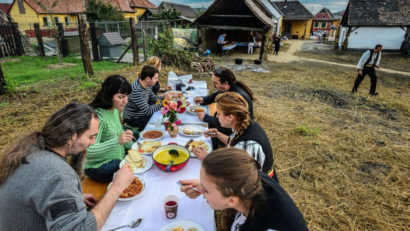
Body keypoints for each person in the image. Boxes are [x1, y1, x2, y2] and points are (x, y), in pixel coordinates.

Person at [0, 102, 134, 230]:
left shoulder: (31, 152)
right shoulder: (57, 173)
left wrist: (73, 198)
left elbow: (38, 192)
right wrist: (117, 187)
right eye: (91, 137)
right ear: (72, 137)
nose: (93, 142)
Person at [179, 148, 308, 231]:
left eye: (206, 191)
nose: (203, 194)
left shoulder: (265, 225)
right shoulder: (250, 178)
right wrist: (204, 185)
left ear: (231, 201)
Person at [193, 92, 277, 181]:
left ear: (230, 117)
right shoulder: (244, 124)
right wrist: (218, 134)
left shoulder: (248, 144)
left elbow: (236, 180)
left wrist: (207, 159)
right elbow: (234, 142)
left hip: (260, 188)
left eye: (219, 114)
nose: (217, 117)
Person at [84, 75, 134, 183]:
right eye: (121, 97)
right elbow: (88, 152)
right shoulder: (98, 117)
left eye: (126, 96)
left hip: (115, 157)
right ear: (109, 96)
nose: (126, 101)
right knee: (130, 169)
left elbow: (120, 134)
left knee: (135, 160)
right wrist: (117, 141)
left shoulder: (114, 110)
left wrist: (135, 147)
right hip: (97, 167)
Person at [193, 66, 256, 149]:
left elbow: (228, 123)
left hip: (235, 134)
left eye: (216, 83)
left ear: (225, 83)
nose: (213, 85)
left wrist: (206, 118)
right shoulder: (231, 87)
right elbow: (218, 94)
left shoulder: (237, 97)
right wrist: (204, 99)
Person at [123, 65, 173, 131]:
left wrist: (165, 97)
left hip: (142, 114)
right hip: (134, 119)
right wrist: (164, 101)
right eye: (155, 78)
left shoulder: (146, 84)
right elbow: (148, 111)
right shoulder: (137, 91)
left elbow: (154, 98)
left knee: (164, 116)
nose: (157, 80)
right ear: (148, 79)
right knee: (160, 124)